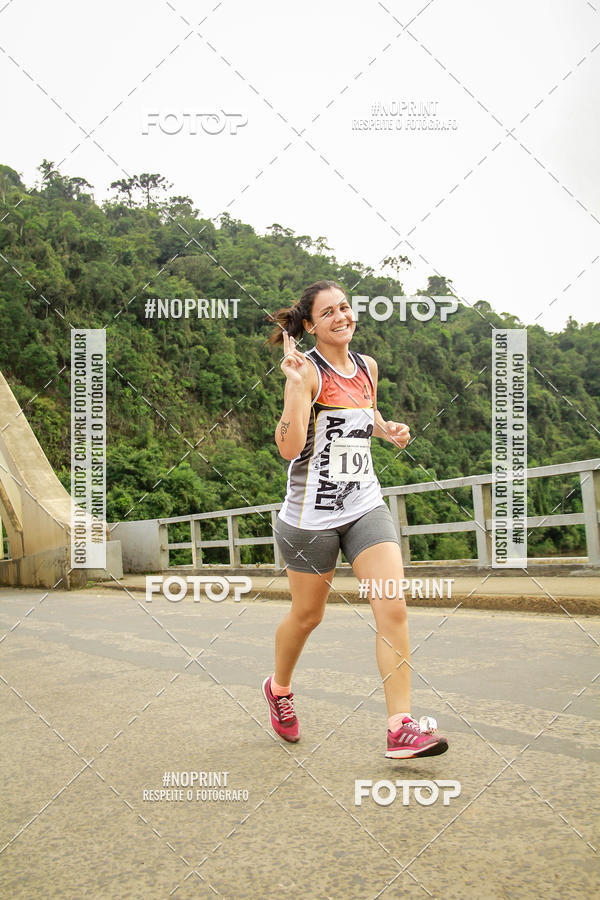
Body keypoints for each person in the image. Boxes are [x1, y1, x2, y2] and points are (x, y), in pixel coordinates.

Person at [262, 279, 448, 759]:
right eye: (328, 313)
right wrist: (293, 387)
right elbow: (288, 447)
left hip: (365, 505)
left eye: (344, 307)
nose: (341, 317)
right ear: (310, 326)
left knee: (393, 607)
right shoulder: (306, 372)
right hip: (310, 518)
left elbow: (363, 414)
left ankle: (400, 727)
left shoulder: (367, 367)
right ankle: (279, 689)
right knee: (308, 615)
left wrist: (387, 430)